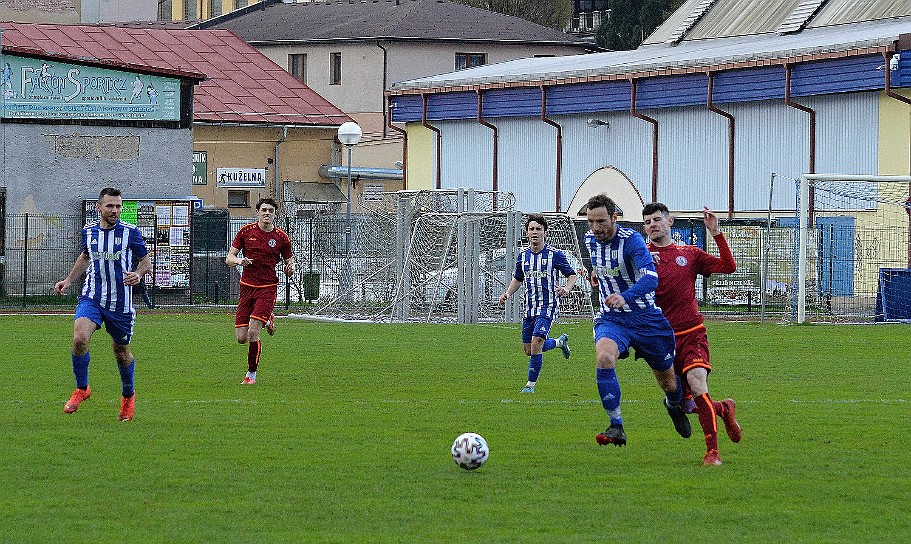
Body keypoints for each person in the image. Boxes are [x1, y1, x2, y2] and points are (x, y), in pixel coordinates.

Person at [584, 194, 690, 447]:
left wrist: (625, 295)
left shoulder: (631, 241)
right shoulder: (590, 241)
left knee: (668, 381)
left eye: (601, 221)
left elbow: (651, 279)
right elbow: (603, 267)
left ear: (614, 217)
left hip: (647, 320)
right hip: (612, 319)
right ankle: (616, 425)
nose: (596, 228)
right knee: (604, 357)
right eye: (590, 222)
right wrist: (596, 275)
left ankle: (673, 405)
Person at [643, 203, 742, 466]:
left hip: (692, 334)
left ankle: (713, 453)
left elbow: (728, 267)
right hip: (661, 339)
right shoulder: (640, 257)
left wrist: (716, 233)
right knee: (686, 404)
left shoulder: (689, 253)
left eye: (656, 219)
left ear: (669, 221)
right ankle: (724, 409)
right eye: (647, 222)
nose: (652, 225)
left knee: (699, 386)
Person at [54, 187, 151, 422]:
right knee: (79, 339)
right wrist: (68, 280)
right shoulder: (89, 231)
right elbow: (86, 257)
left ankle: (128, 396)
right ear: (99, 207)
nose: (115, 210)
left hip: (120, 303)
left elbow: (145, 261)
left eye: (118, 206)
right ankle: (82, 389)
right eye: (110, 206)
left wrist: (138, 274)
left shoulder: (131, 233)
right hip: (92, 297)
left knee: (121, 352)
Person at [499, 214, 577, 393]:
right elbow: (518, 278)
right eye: (532, 229)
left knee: (536, 343)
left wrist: (566, 288)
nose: (535, 232)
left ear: (545, 233)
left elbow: (572, 275)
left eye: (538, 229)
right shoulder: (523, 256)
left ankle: (530, 386)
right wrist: (507, 294)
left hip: (548, 306)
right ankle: (559, 342)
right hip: (530, 308)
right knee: (528, 350)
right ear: (527, 233)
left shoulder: (555, 255)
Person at [226, 197, 295, 384]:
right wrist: (240, 261)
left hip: (267, 288)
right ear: (258, 212)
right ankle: (268, 319)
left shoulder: (281, 237)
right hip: (247, 287)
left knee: (252, 333)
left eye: (271, 211)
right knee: (241, 338)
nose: (267, 213)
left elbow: (290, 262)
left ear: (274, 214)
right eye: (264, 210)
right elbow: (229, 257)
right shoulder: (246, 232)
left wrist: (290, 268)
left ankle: (251, 375)